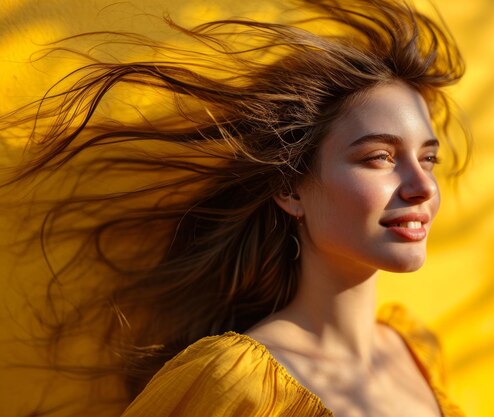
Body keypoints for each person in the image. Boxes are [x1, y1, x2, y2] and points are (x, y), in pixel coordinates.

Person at [2, 0, 470, 416]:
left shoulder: (414, 351)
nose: (421, 186)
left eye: (428, 158)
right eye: (379, 158)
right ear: (290, 188)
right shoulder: (235, 383)